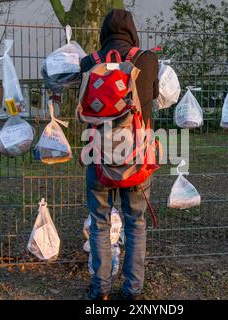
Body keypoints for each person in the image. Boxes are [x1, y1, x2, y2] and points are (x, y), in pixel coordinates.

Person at [79, 9, 159, 300]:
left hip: (98, 154)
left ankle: (100, 290)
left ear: (104, 32)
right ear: (132, 31)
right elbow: (155, 96)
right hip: (136, 155)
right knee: (135, 222)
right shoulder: (147, 59)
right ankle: (133, 291)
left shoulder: (90, 62)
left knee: (100, 221)